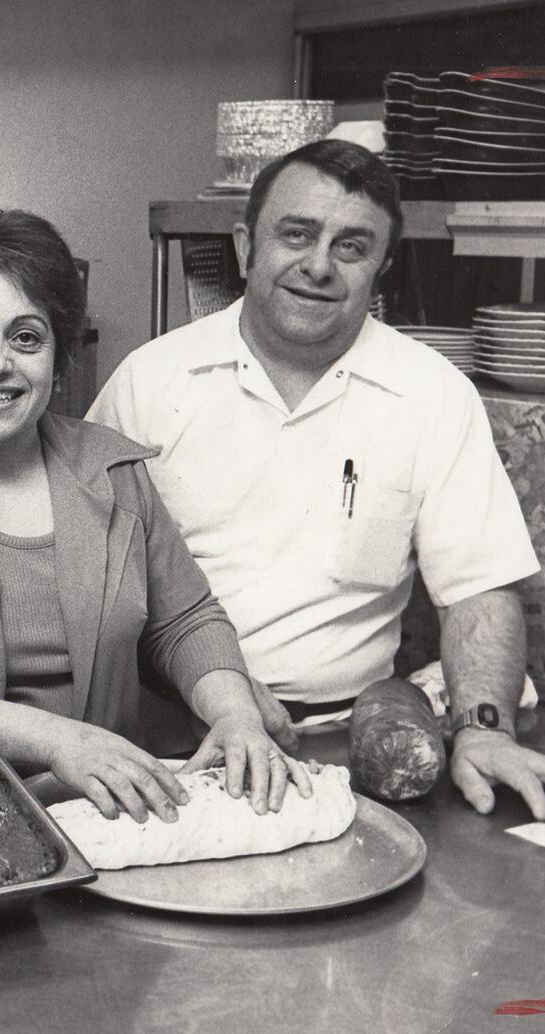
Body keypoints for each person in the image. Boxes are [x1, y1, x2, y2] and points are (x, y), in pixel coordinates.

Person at [89, 138, 545, 820]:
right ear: (246, 247)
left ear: (381, 268)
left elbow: (478, 590)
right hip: (170, 736)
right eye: (295, 234)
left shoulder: (433, 394)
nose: (318, 266)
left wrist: (484, 727)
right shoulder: (150, 382)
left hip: (348, 742)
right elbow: (86, 581)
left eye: (351, 246)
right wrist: (213, 686)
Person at [0, 207, 306, 824]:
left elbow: (185, 620)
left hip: (118, 815)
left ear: (59, 353)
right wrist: (61, 742)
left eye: (26, 338)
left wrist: (235, 716)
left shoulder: (114, 471)